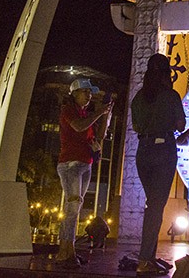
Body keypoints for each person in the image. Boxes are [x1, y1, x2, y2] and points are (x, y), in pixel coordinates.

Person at [130, 53, 186, 276]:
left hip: (143, 152)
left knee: (152, 204)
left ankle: (149, 257)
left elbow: (137, 126)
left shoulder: (138, 98)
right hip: (164, 150)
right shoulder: (171, 96)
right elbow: (181, 125)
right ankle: (144, 260)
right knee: (155, 206)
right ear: (166, 74)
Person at [54, 78, 113, 269]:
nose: (89, 96)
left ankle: (67, 251)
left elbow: (101, 135)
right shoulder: (68, 111)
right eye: (85, 92)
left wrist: (106, 114)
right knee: (72, 207)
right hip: (70, 164)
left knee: (75, 208)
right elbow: (78, 126)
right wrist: (98, 112)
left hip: (85, 164)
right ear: (74, 93)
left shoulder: (86, 114)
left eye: (90, 93)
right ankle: (65, 251)